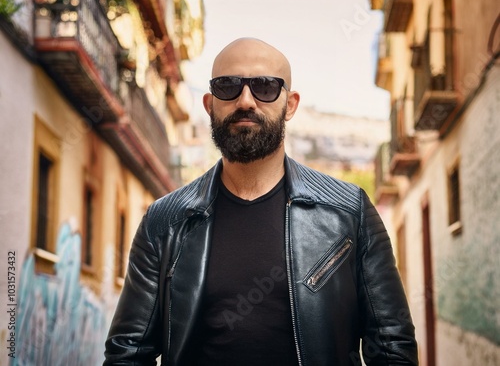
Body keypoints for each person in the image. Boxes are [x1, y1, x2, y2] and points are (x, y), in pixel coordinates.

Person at [104, 37, 418, 366]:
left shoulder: (349, 211)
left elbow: (392, 345)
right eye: (228, 86)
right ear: (209, 104)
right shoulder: (164, 221)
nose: (245, 101)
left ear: (291, 104)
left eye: (265, 87)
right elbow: (128, 352)